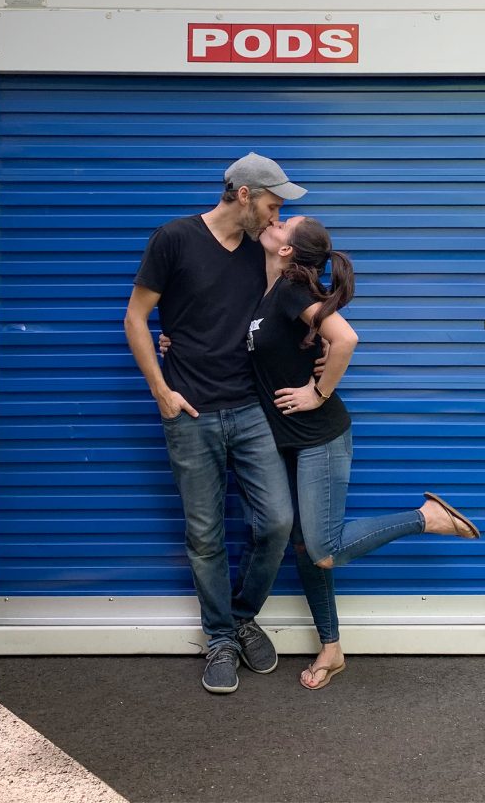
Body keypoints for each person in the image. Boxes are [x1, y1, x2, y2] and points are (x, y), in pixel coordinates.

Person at [249, 215, 480, 690]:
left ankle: (426, 516)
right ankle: (331, 649)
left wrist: (319, 391)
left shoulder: (293, 290)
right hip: (288, 441)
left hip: (319, 437)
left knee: (325, 550)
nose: (273, 221)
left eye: (283, 222)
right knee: (304, 549)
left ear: (289, 251)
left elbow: (346, 339)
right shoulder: (269, 292)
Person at [124, 153, 307, 695]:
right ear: (244, 194)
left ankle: (243, 615)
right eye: (273, 205)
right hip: (191, 413)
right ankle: (221, 637)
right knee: (204, 535)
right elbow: (136, 317)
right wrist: (162, 391)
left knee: (276, 521)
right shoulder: (174, 239)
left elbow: (293, 306)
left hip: (251, 408)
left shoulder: (264, 253)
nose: (277, 218)